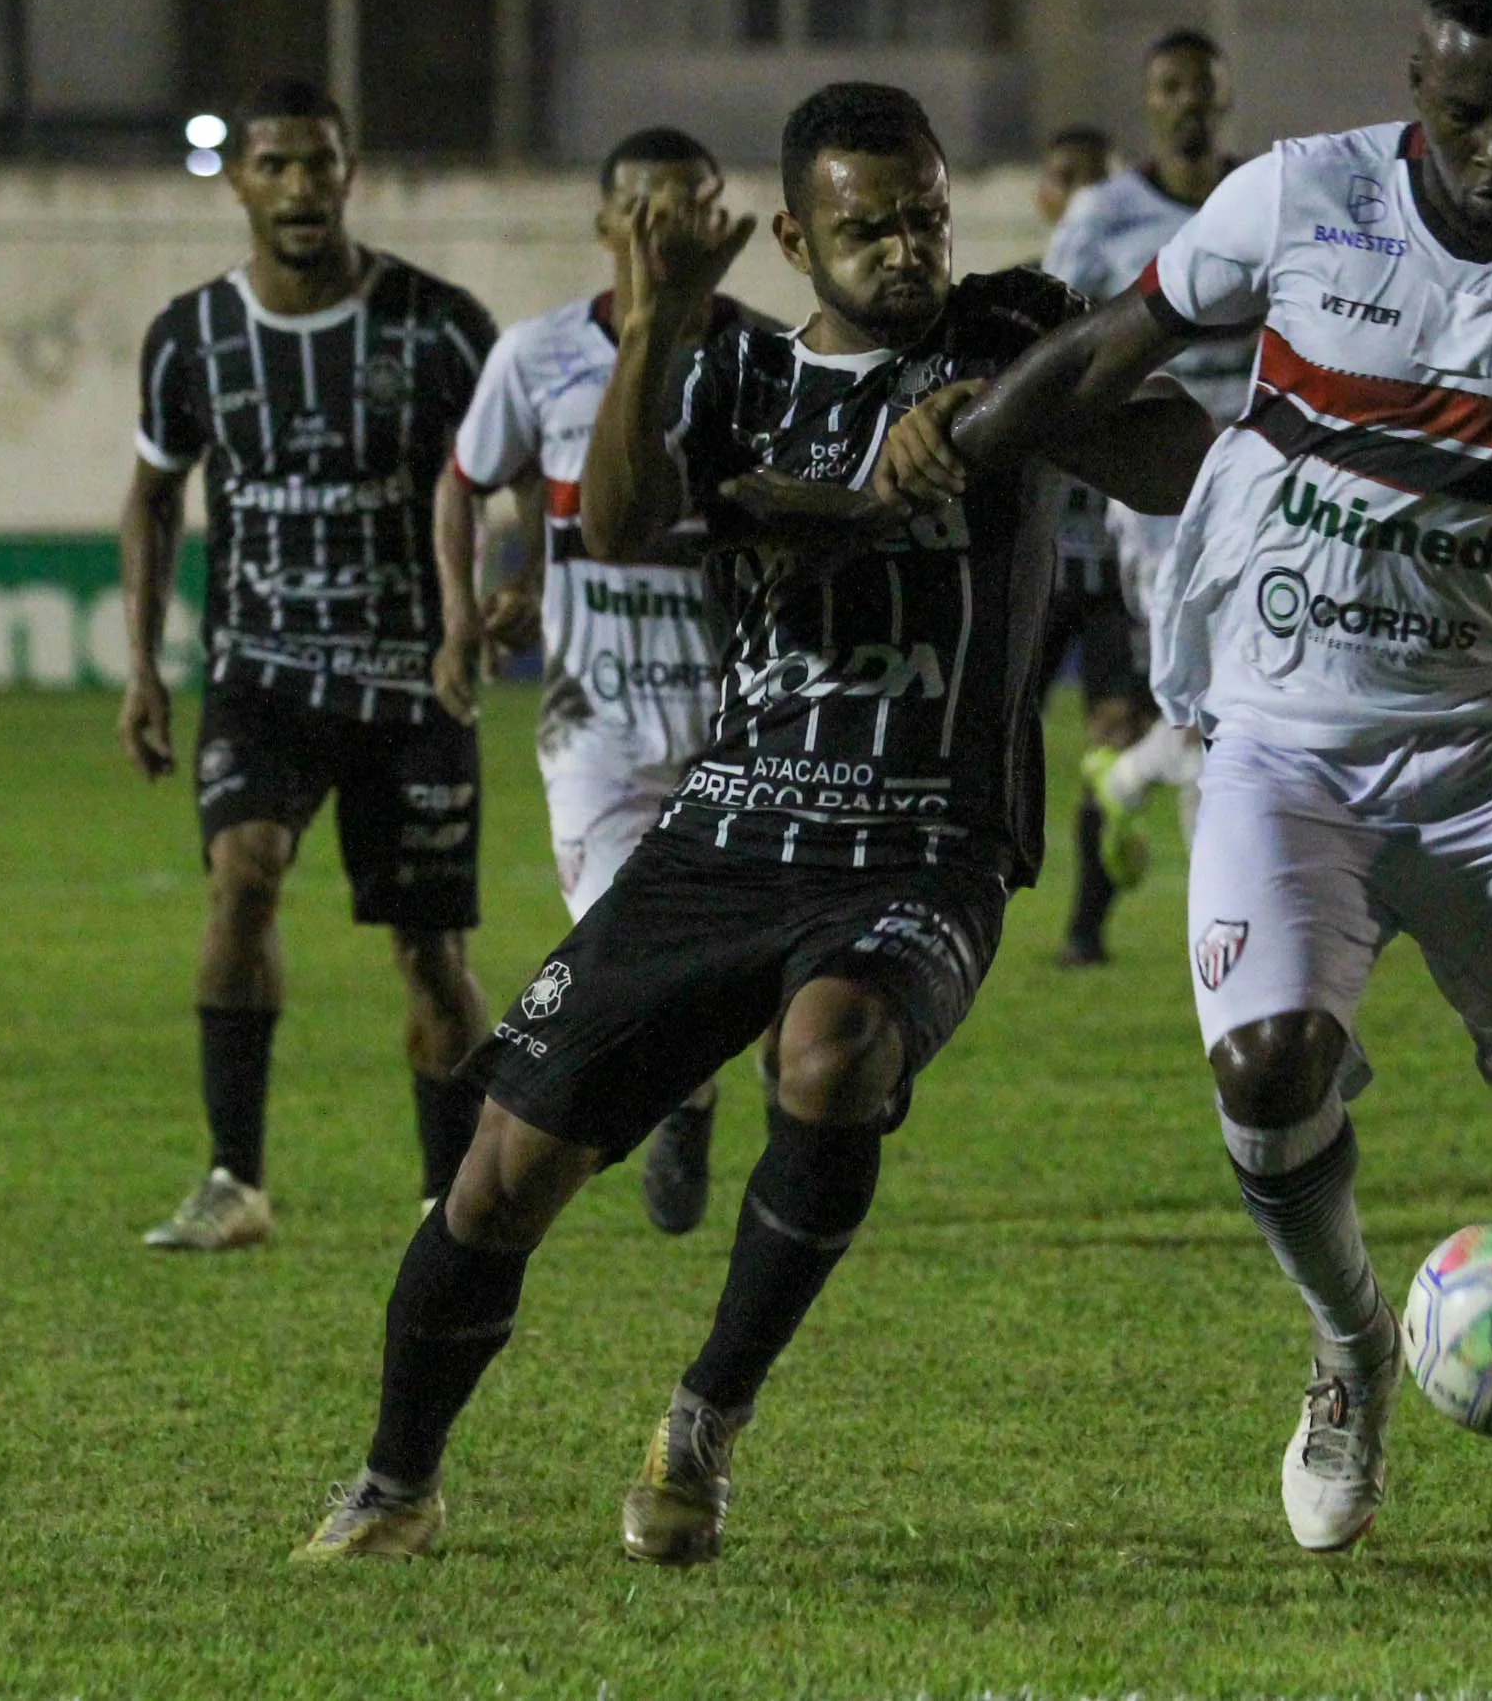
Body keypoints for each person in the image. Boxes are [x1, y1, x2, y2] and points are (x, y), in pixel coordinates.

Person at [870, 0, 1492, 1587]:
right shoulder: (1300, 198)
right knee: (1266, 1072)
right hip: (1286, 747)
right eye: (1464, 112)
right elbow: (1119, 346)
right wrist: (962, 434)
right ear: (1416, 81)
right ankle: (1350, 1347)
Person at [293, 82, 1209, 1565]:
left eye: (923, 215)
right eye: (867, 228)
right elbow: (625, 526)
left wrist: (992, 423)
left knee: (832, 1048)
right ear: (792, 236)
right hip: (729, 825)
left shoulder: (1007, 330)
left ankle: (702, 1423)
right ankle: (397, 1480)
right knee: (502, 1162)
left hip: (929, 833)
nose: (907, 249)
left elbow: (1177, 456)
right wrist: (659, 321)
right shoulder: (728, 372)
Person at [118, 77, 497, 1250]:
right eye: (274, 165)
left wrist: (481, 608)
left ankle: (455, 1200)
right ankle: (236, 1179)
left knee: (430, 955)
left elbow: (500, 475)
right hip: (262, 670)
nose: (298, 187)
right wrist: (144, 667)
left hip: (410, 681)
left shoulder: (437, 324)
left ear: (350, 173)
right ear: (237, 181)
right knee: (243, 877)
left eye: (318, 163)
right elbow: (152, 495)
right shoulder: (192, 336)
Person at [434, 126, 782, 1239]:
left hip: (747, 724)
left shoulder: (766, 359)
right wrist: (467, 609)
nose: (670, 231)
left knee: (772, 989)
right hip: (599, 731)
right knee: (631, 962)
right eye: (648, 209)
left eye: (693, 207)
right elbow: (469, 480)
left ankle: (730, 1120)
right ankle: (681, 1096)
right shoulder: (538, 355)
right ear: (606, 224)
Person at [1042, 30, 1259, 886]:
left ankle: (1220, 879)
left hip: (1261, 479)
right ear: (1149, 102)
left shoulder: (1262, 197)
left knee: (1244, 687)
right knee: (1206, 689)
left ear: (1225, 96)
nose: (1188, 103)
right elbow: (1057, 340)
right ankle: (1144, 785)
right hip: (1157, 491)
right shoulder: (1102, 217)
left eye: (1202, 87)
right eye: (1169, 87)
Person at [1026, 121, 1145, 963]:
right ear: (1045, 195)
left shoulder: (1151, 307)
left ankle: (1084, 929)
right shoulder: (1022, 304)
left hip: (1121, 563)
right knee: (991, 731)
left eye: (1098, 181)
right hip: (1037, 563)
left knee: (1112, 740)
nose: (1084, 198)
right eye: (1069, 179)